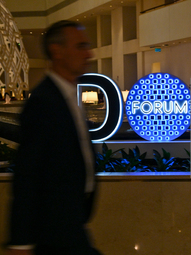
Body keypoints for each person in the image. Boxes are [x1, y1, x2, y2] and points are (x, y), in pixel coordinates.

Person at [6, 20, 101, 255]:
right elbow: (27, 176)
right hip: (53, 234)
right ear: (57, 51)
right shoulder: (43, 103)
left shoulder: (67, 96)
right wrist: (20, 242)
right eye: (80, 46)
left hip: (71, 225)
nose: (88, 53)